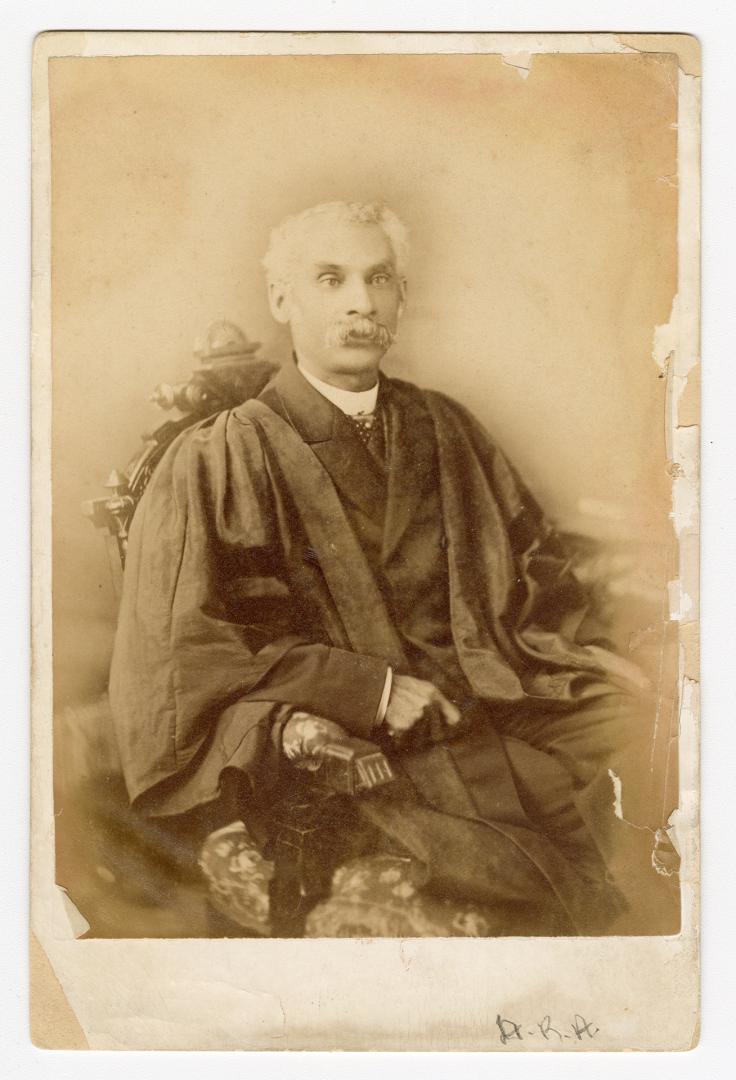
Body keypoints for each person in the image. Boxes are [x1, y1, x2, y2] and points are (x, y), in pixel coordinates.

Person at [109, 201, 678, 936]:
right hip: (357, 739)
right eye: (330, 279)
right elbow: (193, 647)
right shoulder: (224, 455)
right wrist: (370, 691)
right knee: (545, 842)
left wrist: (583, 655)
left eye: (379, 278)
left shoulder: (445, 427)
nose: (360, 302)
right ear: (283, 300)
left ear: (400, 297)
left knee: (657, 737)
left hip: (494, 690)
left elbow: (539, 575)